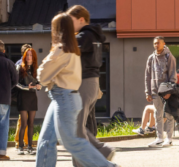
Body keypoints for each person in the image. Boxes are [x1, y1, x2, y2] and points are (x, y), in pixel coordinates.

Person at [35, 13, 117, 167]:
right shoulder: (73, 49)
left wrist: (47, 61)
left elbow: (42, 76)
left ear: (57, 30)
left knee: (72, 142)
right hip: (63, 97)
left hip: (63, 97)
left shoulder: (61, 49)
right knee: (46, 140)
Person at [67, 5, 115, 163]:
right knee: (79, 126)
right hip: (92, 82)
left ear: (81, 19)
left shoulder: (84, 36)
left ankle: (102, 151)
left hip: (84, 83)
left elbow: (66, 53)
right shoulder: (93, 35)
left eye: (71, 20)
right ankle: (95, 155)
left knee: (77, 127)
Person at [144, 36, 177, 147]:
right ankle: (159, 138)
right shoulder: (151, 58)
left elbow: (173, 75)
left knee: (168, 114)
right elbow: (147, 76)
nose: (156, 45)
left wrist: (170, 91)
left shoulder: (169, 56)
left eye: (158, 43)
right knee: (157, 114)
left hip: (166, 91)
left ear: (164, 43)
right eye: (154, 43)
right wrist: (147, 92)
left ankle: (169, 138)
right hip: (154, 91)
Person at [14, 45, 41, 155]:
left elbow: (39, 83)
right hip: (23, 97)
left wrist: (39, 87)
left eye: (31, 55)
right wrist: (27, 87)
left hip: (32, 97)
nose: (29, 57)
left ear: (34, 57)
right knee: (23, 122)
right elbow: (15, 84)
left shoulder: (36, 69)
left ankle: (30, 146)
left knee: (31, 123)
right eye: (27, 55)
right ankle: (21, 146)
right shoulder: (20, 68)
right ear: (24, 56)